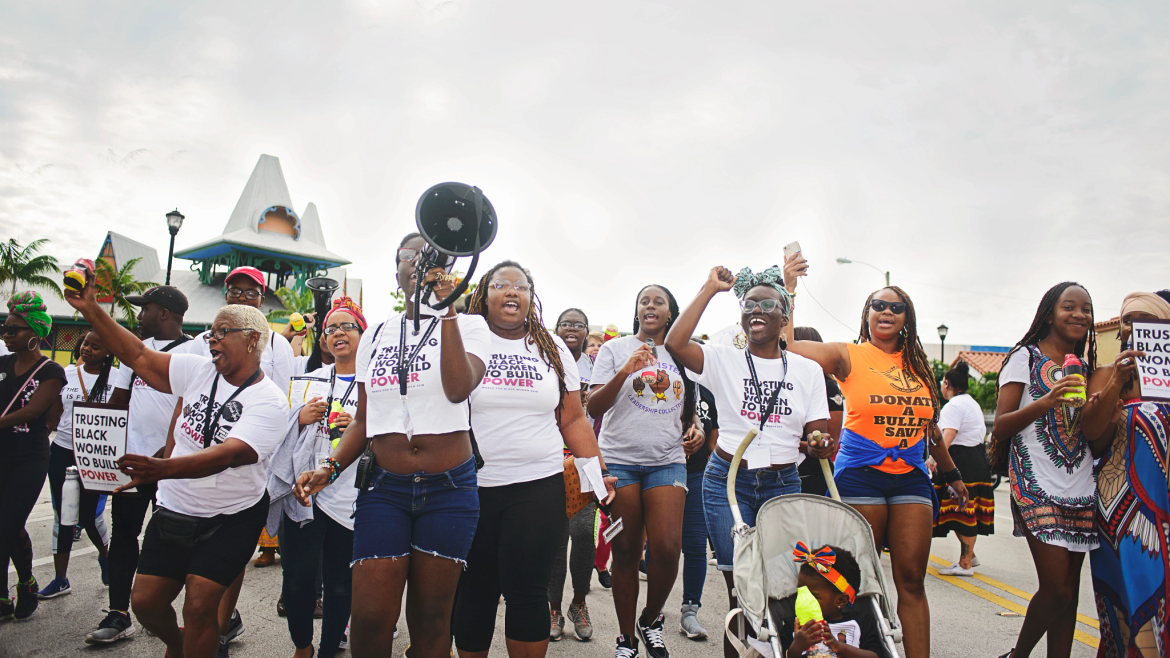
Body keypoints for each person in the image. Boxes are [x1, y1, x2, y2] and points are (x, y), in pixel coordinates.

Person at [64, 276, 288, 658]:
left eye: (222, 332)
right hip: (176, 509)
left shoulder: (269, 401)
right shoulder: (199, 371)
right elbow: (136, 355)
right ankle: (180, 645)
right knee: (145, 602)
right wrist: (89, 309)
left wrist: (161, 468)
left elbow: (230, 454)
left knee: (200, 606)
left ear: (252, 340)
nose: (211, 339)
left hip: (230, 517)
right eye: (210, 332)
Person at [295, 232, 490, 658]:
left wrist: (449, 309)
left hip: (449, 491)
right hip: (384, 489)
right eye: (410, 256)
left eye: (431, 255)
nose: (419, 262)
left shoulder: (472, 326)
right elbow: (364, 420)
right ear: (396, 271)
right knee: (368, 620)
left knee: (431, 620)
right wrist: (330, 466)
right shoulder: (378, 334)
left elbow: (458, 388)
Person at [785, 273, 969, 658]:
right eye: (879, 306)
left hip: (912, 479)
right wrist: (789, 288)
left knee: (912, 581)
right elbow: (789, 345)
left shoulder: (920, 366)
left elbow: (930, 430)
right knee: (861, 583)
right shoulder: (848, 355)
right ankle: (858, 650)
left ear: (907, 318)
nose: (887, 312)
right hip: (860, 474)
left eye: (896, 307)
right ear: (866, 314)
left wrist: (951, 474)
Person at [666, 265, 831, 658]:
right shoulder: (723, 360)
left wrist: (818, 443)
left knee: (781, 584)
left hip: (783, 484)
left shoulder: (808, 371)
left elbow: (817, 432)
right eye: (749, 303)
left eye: (767, 303)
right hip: (728, 482)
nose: (756, 309)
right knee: (739, 588)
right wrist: (710, 288)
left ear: (785, 317)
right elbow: (675, 342)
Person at [454, 263, 616, 655]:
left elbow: (574, 417)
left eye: (521, 286)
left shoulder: (552, 347)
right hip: (470, 488)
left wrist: (598, 475)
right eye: (501, 285)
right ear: (484, 295)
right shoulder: (461, 338)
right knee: (475, 590)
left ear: (531, 296)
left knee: (528, 591)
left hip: (537, 487)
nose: (512, 292)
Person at [991, 281, 1112, 658]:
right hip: (1035, 482)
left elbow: (1093, 438)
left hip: (1081, 484)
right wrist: (1047, 400)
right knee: (1057, 587)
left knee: (1069, 595)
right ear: (1049, 314)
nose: (1079, 315)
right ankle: (1019, 654)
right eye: (1069, 307)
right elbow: (1001, 425)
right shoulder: (1024, 358)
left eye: (1086, 309)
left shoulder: (1088, 368)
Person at [589, 283, 701, 658]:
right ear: (636, 311)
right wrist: (625, 370)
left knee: (668, 549)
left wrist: (696, 429)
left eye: (659, 302)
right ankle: (626, 639)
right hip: (619, 461)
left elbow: (691, 408)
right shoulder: (614, 348)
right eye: (644, 301)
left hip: (667, 459)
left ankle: (651, 619)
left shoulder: (683, 353)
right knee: (624, 550)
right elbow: (592, 407)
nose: (650, 306)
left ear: (671, 313)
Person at [188, 265, 295, 648]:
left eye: (251, 293)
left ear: (262, 300)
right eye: (235, 290)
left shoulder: (277, 346)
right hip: (195, 462)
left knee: (230, 551)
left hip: (245, 462)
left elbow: (280, 401)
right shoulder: (203, 340)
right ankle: (201, 620)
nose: (242, 297)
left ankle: (219, 625)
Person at [86, 285, 197, 644]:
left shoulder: (195, 352)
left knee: (181, 542)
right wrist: (93, 444)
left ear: (164, 313)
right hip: (133, 463)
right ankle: (119, 613)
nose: (139, 315)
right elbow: (119, 402)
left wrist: (167, 458)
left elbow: (192, 408)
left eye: (145, 308)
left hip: (173, 467)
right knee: (123, 537)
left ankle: (206, 612)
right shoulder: (132, 353)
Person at [273, 297, 367, 658]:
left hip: (350, 496)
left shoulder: (374, 385)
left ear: (363, 334)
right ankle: (303, 645)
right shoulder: (306, 381)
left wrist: (360, 429)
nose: (337, 333)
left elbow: (391, 435)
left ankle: (329, 649)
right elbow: (275, 428)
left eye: (347, 326)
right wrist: (299, 417)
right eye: (330, 329)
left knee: (341, 584)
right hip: (305, 492)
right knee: (296, 582)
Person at [1083, 292, 1168, 657]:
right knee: (1131, 602)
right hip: (1120, 513)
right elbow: (1093, 438)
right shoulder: (1105, 374)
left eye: (1144, 318)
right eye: (1127, 319)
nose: (1133, 325)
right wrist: (1117, 381)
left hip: (1161, 507)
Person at [0, 292, 67, 620]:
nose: (6, 335)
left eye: (13, 330)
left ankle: (26, 582)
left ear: (33, 334)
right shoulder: (2, 364)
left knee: (8, 524)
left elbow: (34, 411)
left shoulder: (51, 370)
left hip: (29, 456)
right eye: (4, 328)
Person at [38, 330, 118, 600]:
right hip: (61, 451)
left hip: (95, 455)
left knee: (87, 516)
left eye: (96, 346)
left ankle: (105, 556)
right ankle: (61, 579)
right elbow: (54, 415)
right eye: (86, 344)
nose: (88, 349)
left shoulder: (117, 378)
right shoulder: (66, 374)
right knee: (63, 517)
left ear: (108, 352)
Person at [548, 306, 606, 642]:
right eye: (566, 324)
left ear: (587, 332)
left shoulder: (596, 367)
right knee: (556, 538)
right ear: (556, 329)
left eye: (579, 325)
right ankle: (554, 609)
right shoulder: (545, 359)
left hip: (585, 459)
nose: (572, 329)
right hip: (549, 459)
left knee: (583, 533)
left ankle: (579, 602)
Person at [932, 360, 995, 577]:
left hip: (961, 460)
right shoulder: (971, 402)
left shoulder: (954, 406)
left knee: (962, 510)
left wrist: (935, 460)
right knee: (963, 510)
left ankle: (966, 563)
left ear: (947, 383)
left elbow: (948, 435)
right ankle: (970, 556)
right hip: (976, 458)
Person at [782, 544, 884, 658]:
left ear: (840, 600)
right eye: (800, 592)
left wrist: (839, 646)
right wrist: (795, 649)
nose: (804, 599)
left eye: (814, 596)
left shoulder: (861, 622)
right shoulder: (792, 625)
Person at [678, 378, 716, 640]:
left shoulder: (710, 392)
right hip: (662, 469)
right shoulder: (667, 379)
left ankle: (690, 611)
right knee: (662, 546)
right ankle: (651, 611)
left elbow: (714, 441)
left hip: (698, 474)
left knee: (695, 544)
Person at [791, 327, 845, 496]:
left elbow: (830, 443)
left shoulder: (828, 386)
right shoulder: (785, 383)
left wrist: (784, 442)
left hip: (813, 474)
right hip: (781, 473)